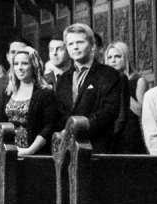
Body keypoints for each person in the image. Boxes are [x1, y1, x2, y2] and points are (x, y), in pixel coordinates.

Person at [56, 23, 132, 152]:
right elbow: (59, 110)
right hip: (67, 148)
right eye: (70, 44)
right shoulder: (63, 79)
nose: (75, 47)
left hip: (98, 146)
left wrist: (77, 130)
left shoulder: (110, 75)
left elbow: (109, 112)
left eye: (80, 42)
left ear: (92, 45)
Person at [0, 40, 67, 155]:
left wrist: (29, 150)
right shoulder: (8, 91)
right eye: (16, 64)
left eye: (24, 63)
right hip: (6, 152)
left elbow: (49, 127)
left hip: (34, 153)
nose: (19, 68)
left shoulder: (45, 92)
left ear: (34, 65)